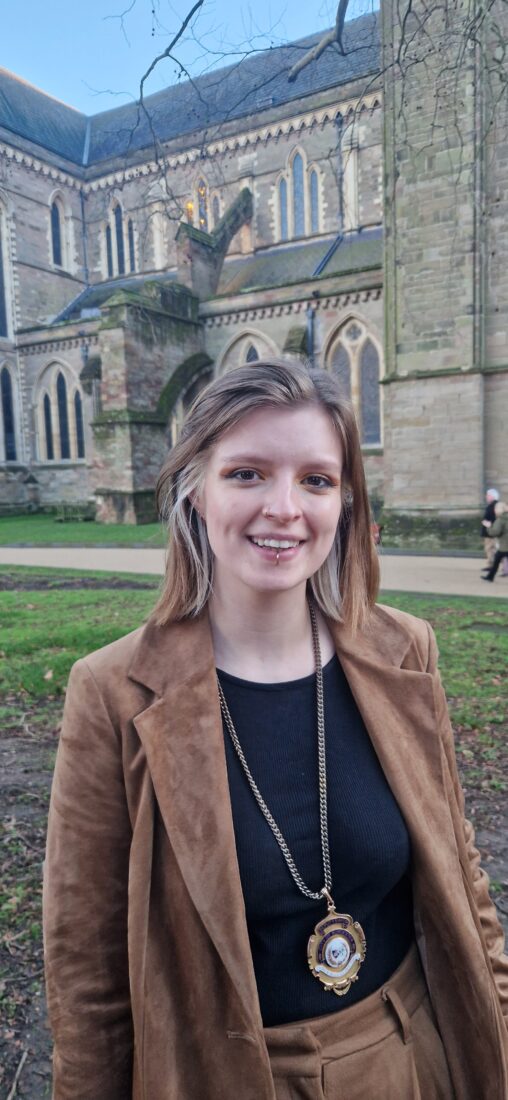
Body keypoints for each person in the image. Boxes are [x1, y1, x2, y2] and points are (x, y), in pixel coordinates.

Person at [43, 360, 508, 1100]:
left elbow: (462, 876)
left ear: (346, 503)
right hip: (216, 1075)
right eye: (248, 474)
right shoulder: (113, 693)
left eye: (316, 480)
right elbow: (87, 971)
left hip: (405, 1060)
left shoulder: (404, 651)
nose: (284, 508)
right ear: (196, 490)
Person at [482, 501, 508, 582]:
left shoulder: (500, 520)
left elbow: (495, 532)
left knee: (496, 562)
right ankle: (490, 576)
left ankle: (490, 577)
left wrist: (489, 527)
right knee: (496, 561)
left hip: (504, 546)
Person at [481, 488, 499, 570]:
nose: (486, 497)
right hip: (489, 531)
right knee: (489, 548)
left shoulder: (495, 506)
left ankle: (492, 565)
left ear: (492, 496)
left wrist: (490, 524)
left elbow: (497, 518)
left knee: (492, 548)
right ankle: (491, 564)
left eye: (488, 495)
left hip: (492, 531)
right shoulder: (491, 505)